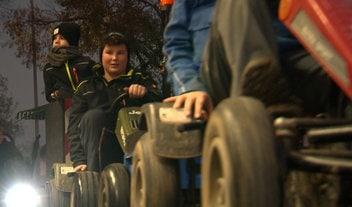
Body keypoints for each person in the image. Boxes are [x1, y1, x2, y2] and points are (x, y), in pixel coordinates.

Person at [163, 0, 334, 118]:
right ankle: (260, 88)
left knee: (340, 82)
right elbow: (176, 46)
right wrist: (190, 87)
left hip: (292, 62)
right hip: (223, 74)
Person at [68, 32, 162, 172]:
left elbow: (161, 107)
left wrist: (144, 95)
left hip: (136, 148)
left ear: (127, 56)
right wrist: (79, 160)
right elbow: (74, 127)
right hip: (100, 149)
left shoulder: (141, 79)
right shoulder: (86, 87)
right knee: (93, 117)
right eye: (109, 52)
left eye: (120, 53)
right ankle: (97, 181)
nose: (114, 58)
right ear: (101, 56)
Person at [43, 22, 96, 103]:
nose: (57, 41)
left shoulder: (85, 63)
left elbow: (95, 85)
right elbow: (49, 94)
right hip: (64, 108)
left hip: (88, 105)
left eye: (61, 38)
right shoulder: (49, 68)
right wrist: (57, 95)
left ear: (71, 41)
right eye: (55, 38)